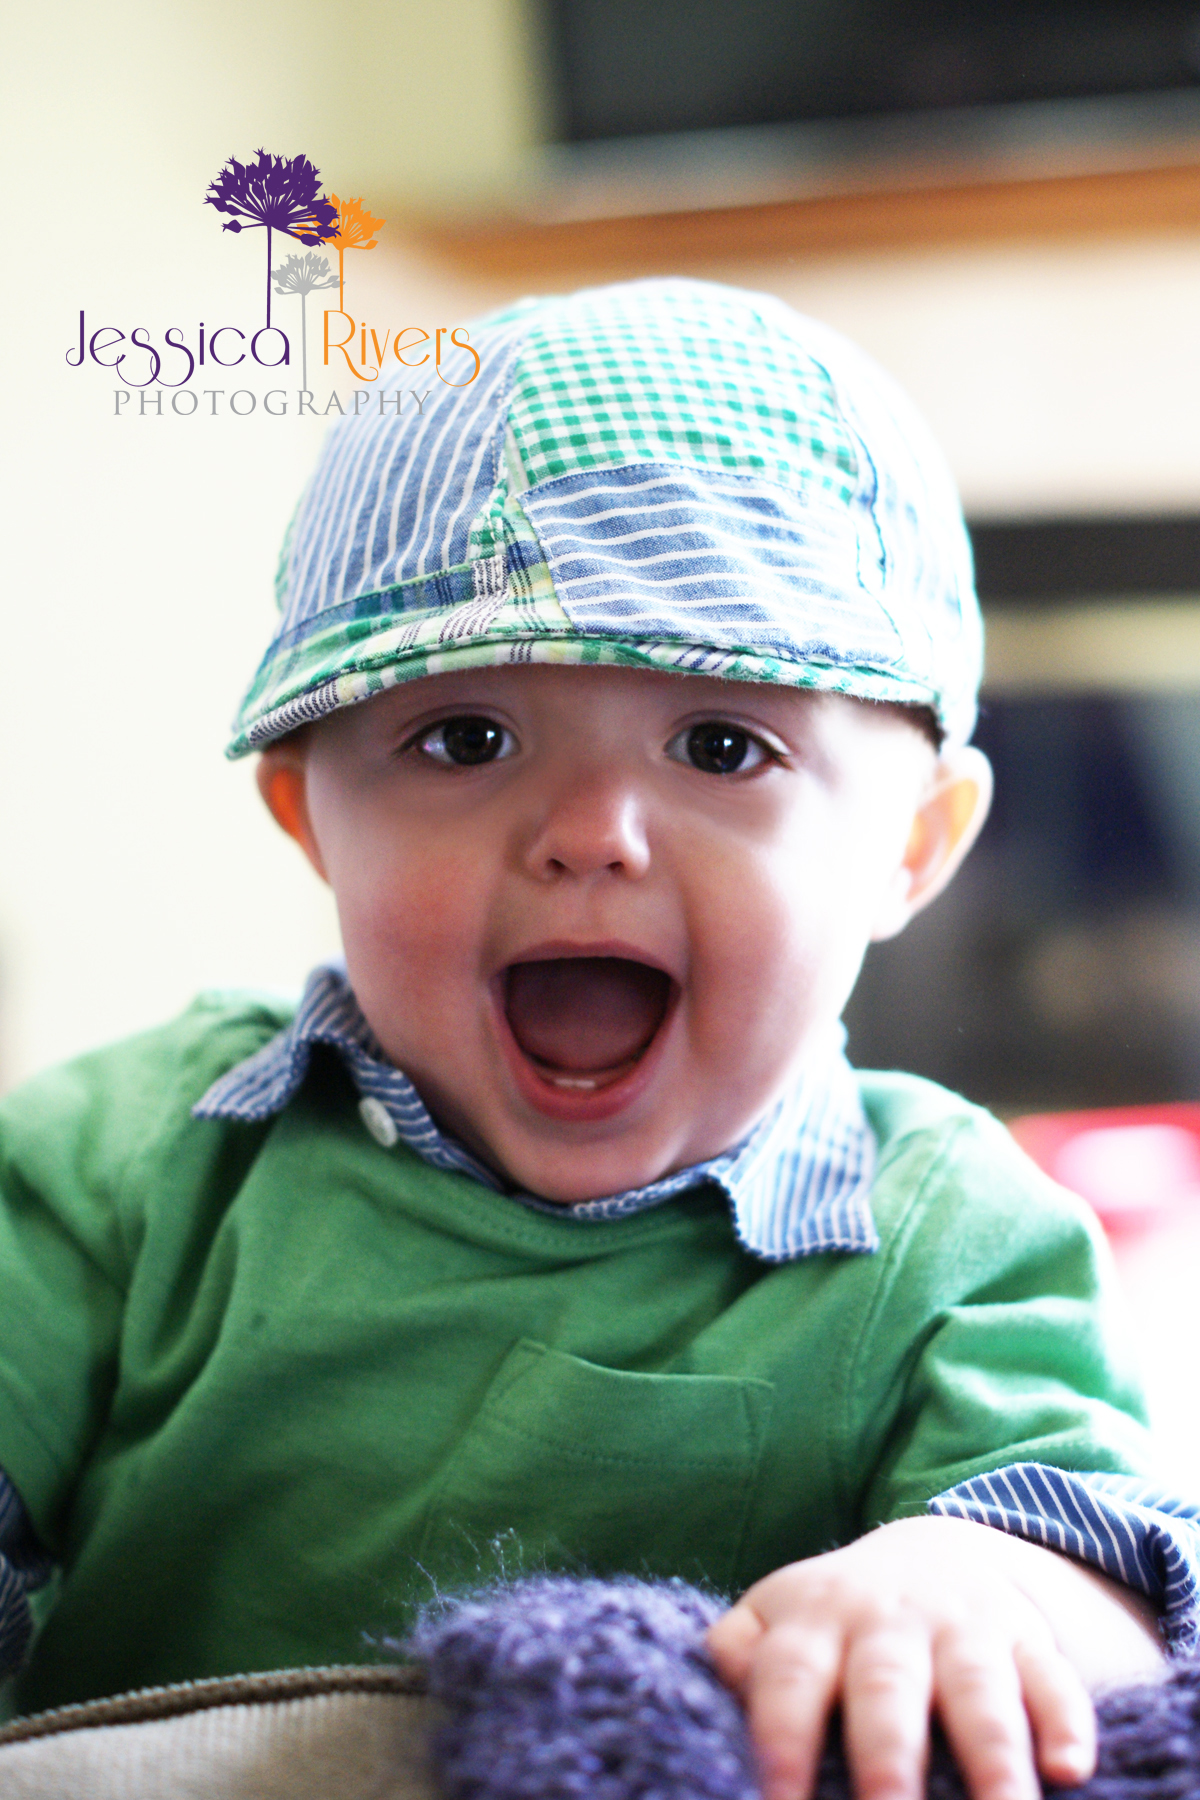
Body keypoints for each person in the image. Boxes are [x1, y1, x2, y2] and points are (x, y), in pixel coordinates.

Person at [0, 280, 1195, 1800]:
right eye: (466, 739)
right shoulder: (125, 1157)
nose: (589, 835)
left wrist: (977, 1580)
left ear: (913, 846)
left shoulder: (954, 1237)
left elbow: (1111, 1570)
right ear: (309, 818)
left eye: (722, 745)